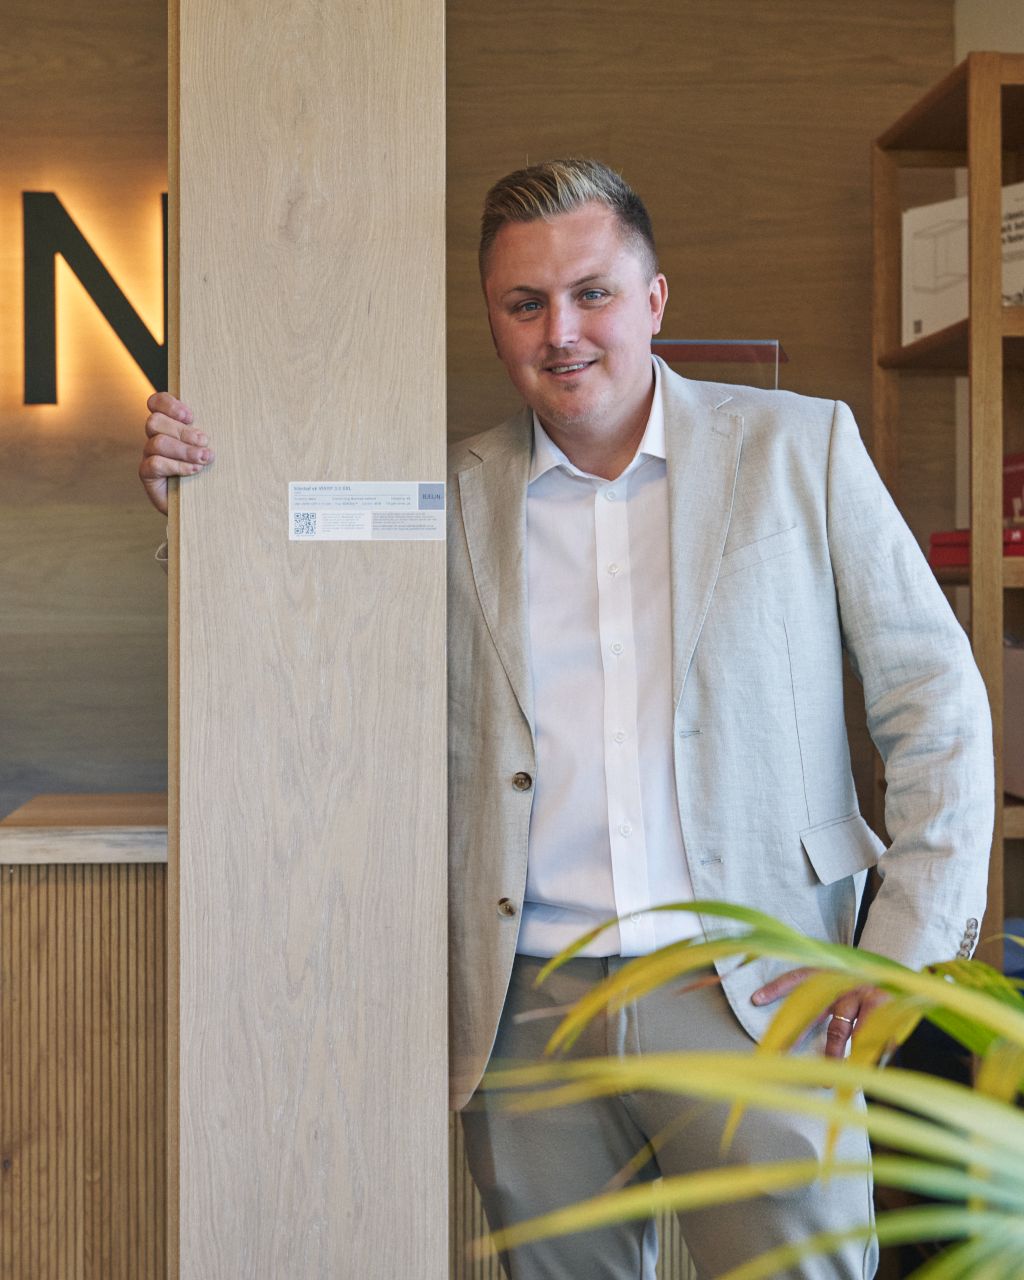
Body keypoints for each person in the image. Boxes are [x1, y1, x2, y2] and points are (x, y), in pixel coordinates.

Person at [140, 159, 993, 1279]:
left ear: (654, 299)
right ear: (492, 319)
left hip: (759, 992)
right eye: (525, 302)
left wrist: (904, 950)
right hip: (527, 1013)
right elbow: (293, 644)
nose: (562, 332)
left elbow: (935, 699)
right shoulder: (441, 497)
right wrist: (193, 509)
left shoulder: (802, 446)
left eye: (592, 293)